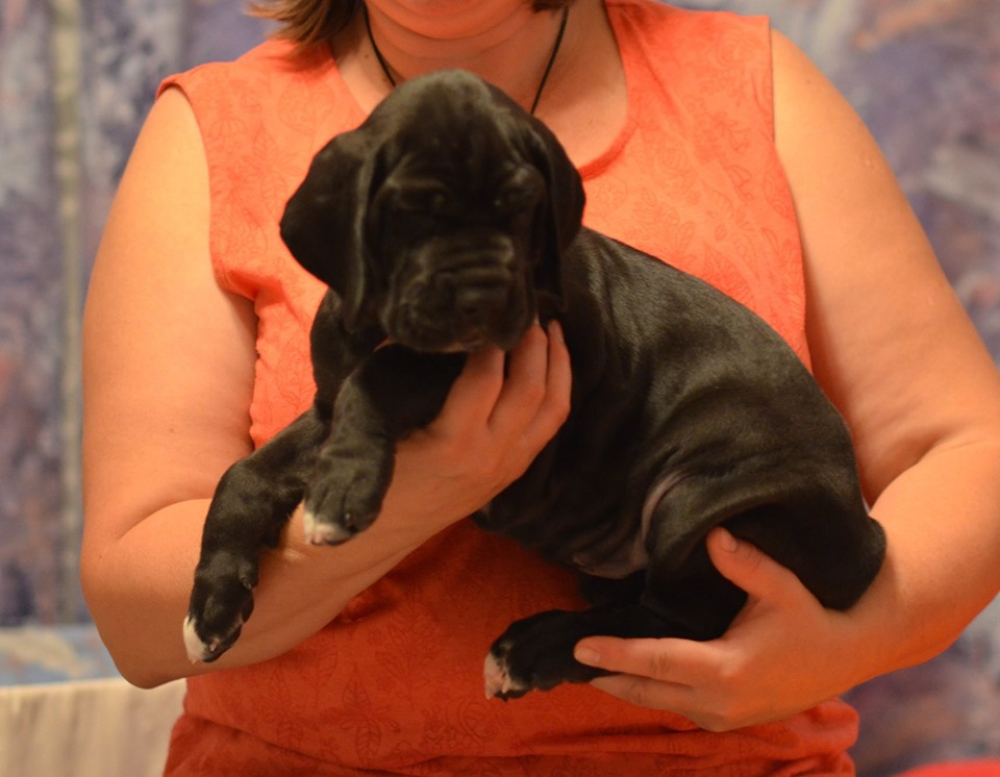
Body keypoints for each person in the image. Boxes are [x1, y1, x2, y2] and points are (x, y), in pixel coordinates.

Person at [81, 0, 1000, 773]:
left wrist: (852, 636)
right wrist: (414, 496)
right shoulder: (219, 129)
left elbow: (971, 449)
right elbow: (134, 614)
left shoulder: (753, 85)